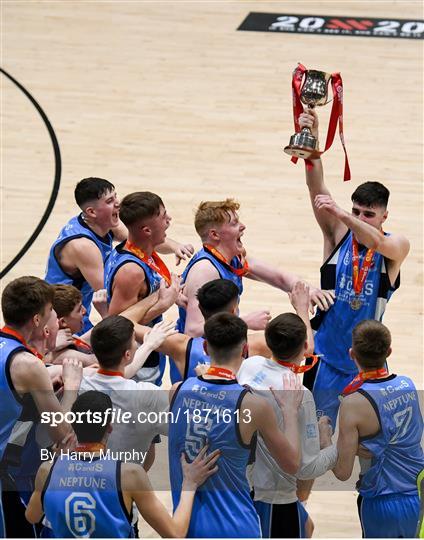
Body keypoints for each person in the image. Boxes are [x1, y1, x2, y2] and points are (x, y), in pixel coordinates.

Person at [299, 108, 410, 427]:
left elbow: (377, 243)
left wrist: (344, 215)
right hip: (324, 359)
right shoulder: (338, 235)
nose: (359, 218)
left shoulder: (396, 245)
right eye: (356, 211)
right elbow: (315, 187)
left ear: (384, 217)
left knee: (367, 442)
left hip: (367, 364)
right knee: (314, 436)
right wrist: (313, 144)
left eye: (368, 215)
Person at [168, 312, 304, 538]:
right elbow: (292, 464)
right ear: (244, 349)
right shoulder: (253, 406)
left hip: (187, 524)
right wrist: (289, 412)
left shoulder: (176, 391)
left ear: (205, 348)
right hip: (237, 525)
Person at [26, 390, 219, 538]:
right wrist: (189, 484)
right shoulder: (129, 475)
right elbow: (175, 534)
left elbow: (32, 516)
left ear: (74, 425)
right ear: (110, 427)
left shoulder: (48, 470)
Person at [238, 301, 337, 538]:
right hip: (274, 503)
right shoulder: (301, 397)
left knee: (307, 526)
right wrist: (332, 444)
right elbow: (307, 467)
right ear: (305, 346)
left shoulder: (249, 366)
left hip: (241, 489)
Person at [45, 178, 192, 334]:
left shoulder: (103, 223)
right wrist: (164, 296)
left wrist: (176, 246)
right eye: (110, 201)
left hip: (78, 305)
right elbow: (109, 292)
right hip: (61, 315)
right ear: (91, 212)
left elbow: (141, 236)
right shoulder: (83, 246)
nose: (118, 204)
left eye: (116, 197)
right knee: (107, 340)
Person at [176, 198, 334, 340]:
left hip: (223, 344)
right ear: (215, 235)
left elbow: (279, 278)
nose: (243, 226)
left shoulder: (232, 258)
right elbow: (193, 331)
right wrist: (243, 322)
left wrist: (311, 291)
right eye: (234, 223)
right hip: (201, 360)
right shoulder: (205, 271)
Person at [0, 276, 82, 537]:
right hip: (10, 478)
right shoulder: (26, 365)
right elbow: (62, 433)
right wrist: (71, 386)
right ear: (37, 320)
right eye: (49, 314)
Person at [332, 320, 423, 538]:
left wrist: (325, 440)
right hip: (417, 494)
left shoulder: (353, 403)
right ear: (389, 351)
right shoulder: (407, 384)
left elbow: (343, 472)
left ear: (351, 353)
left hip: (380, 500)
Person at [104, 191, 184, 384]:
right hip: (136, 361)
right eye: (164, 217)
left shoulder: (137, 249)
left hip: (148, 345)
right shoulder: (132, 271)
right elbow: (116, 328)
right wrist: (162, 304)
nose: (169, 220)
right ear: (147, 230)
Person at [78, 315, 171, 471]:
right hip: (125, 486)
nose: (137, 344)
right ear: (127, 355)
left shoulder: (76, 383)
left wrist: (148, 346)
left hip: (81, 479)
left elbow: (116, 375)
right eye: (135, 341)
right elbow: (183, 429)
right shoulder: (148, 395)